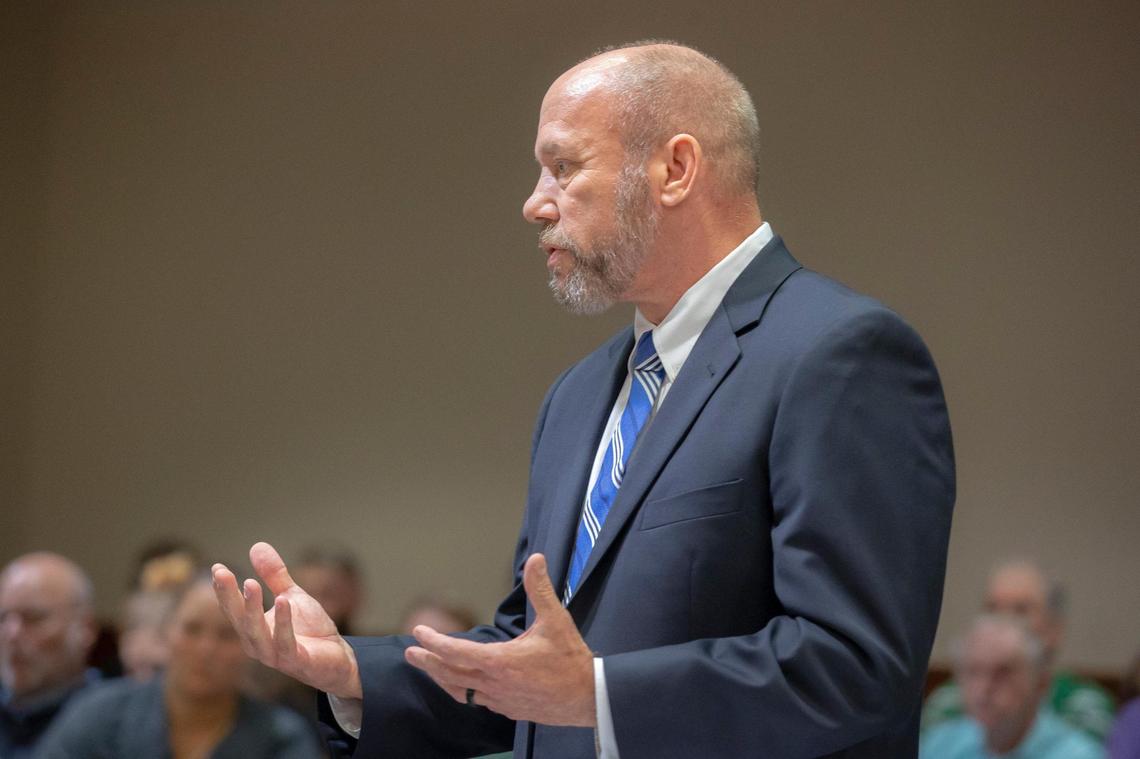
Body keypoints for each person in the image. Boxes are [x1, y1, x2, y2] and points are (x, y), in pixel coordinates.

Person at [213, 40, 956, 758]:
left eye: (562, 168)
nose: (535, 204)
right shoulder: (577, 395)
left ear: (675, 168)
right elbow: (526, 660)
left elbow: (857, 666)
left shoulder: (841, 354)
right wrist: (349, 666)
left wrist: (599, 694)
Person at [36, 572, 320, 758]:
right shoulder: (97, 714)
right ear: (166, 632)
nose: (206, 649)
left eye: (227, 635)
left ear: (255, 647)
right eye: (191, 629)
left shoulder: (282, 737)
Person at [923, 559, 1116, 741]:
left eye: (1020, 610)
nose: (1003, 620)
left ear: (1054, 629)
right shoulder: (948, 703)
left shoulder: (1084, 707)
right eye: (992, 609)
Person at [920, 615, 1103, 758]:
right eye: (974, 671)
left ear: (1041, 683)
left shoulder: (1079, 755)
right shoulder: (940, 746)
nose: (984, 688)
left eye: (1003, 673)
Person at [0, 552, 99, 758]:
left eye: (34, 618)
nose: (12, 634)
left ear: (85, 629)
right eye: (2, 618)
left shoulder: (114, 721)